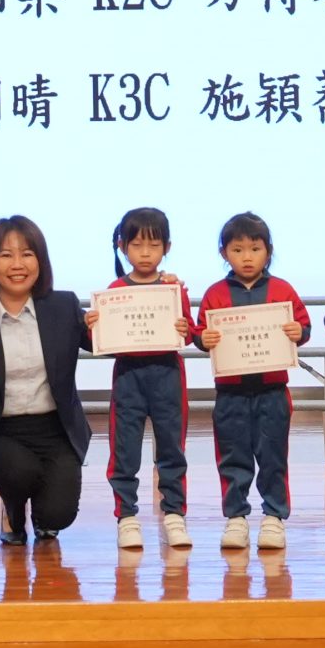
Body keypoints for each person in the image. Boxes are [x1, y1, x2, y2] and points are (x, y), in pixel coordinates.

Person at [0, 215, 91, 546]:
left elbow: (105, 340)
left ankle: (41, 511)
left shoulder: (63, 306)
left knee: (57, 517)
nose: (17, 264)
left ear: (41, 260)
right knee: (19, 471)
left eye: (27, 254)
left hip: (55, 429)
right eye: (6, 255)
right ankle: (12, 509)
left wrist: (161, 292)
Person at [195, 211, 310, 551]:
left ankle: (274, 517)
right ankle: (236, 517)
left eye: (255, 249)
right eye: (238, 250)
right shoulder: (216, 294)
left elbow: (303, 326)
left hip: (272, 391)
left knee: (273, 455)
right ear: (224, 253)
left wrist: (298, 331)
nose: (247, 257)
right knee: (233, 455)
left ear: (268, 252)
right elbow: (200, 331)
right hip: (230, 393)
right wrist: (203, 339)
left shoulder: (282, 289)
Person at [84, 207, 196, 551]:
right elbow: (101, 343)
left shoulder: (173, 288)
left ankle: (174, 514)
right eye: (136, 245)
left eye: (154, 245)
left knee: (172, 449)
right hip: (128, 378)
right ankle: (127, 517)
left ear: (167, 247)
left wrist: (185, 327)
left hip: (167, 375)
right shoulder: (115, 291)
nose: (145, 253)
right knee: (124, 450)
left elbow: (190, 333)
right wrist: (93, 327)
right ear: (122, 246)